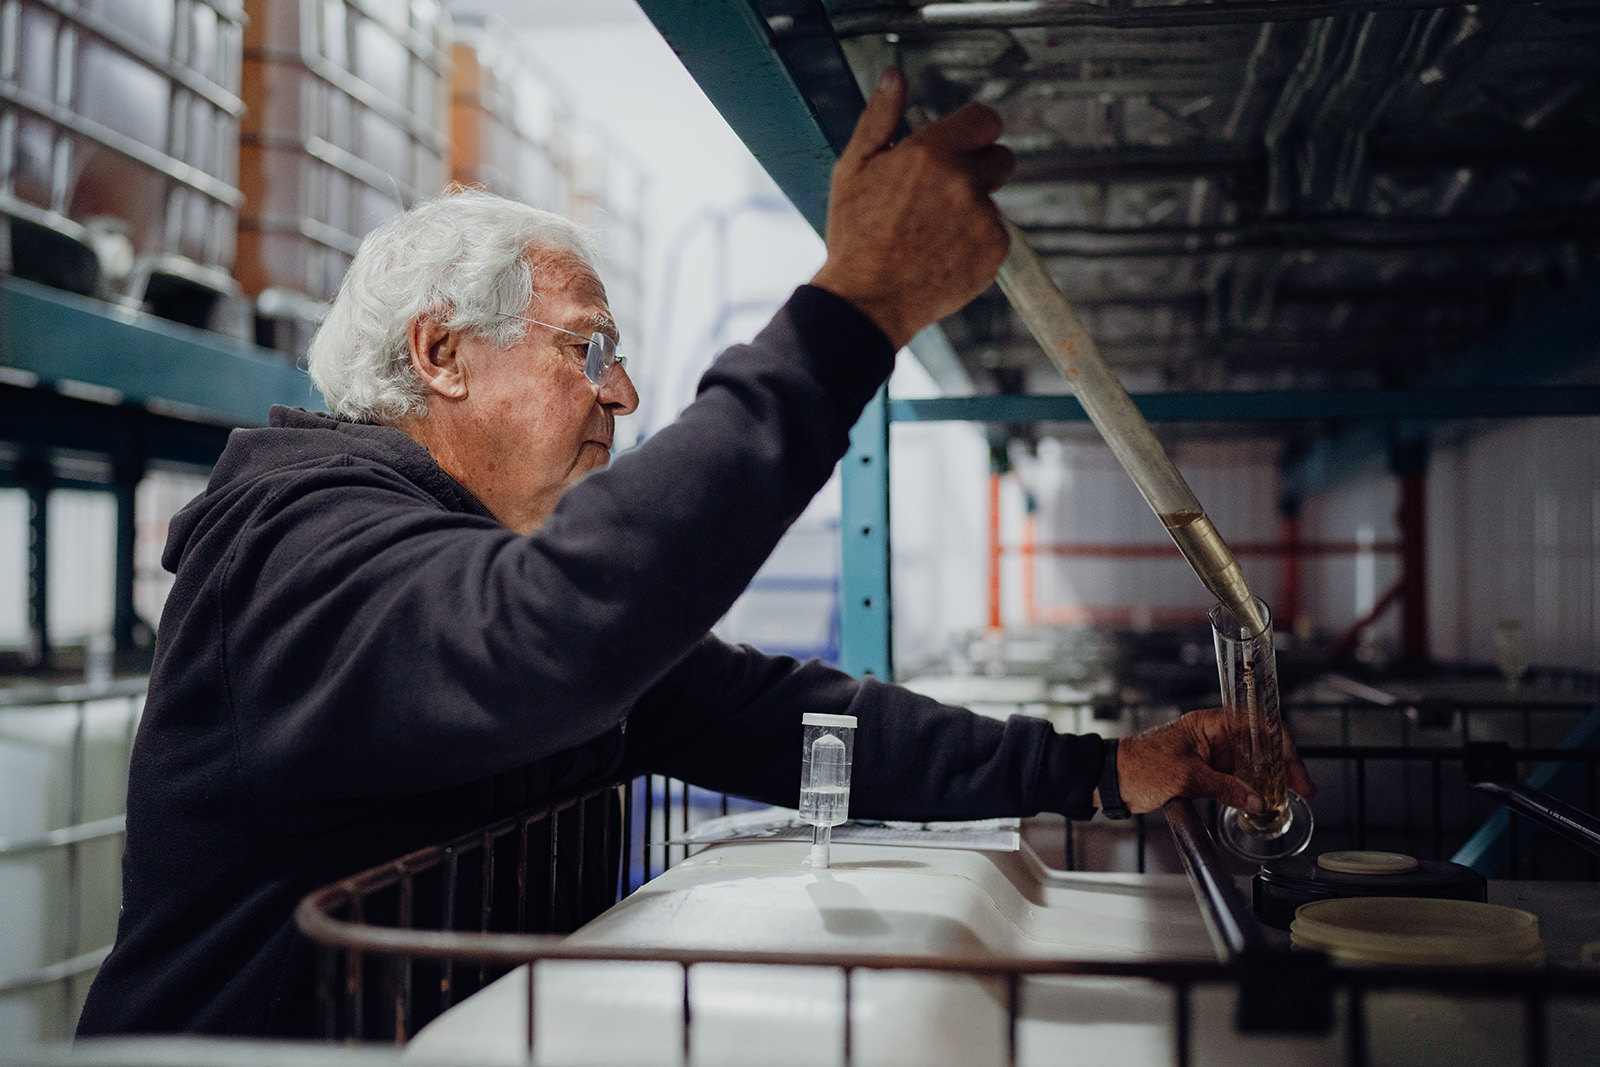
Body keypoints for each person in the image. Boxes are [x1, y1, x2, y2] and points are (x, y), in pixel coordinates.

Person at [77, 70, 1311, 1039]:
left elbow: (781, 716)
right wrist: (852, 315)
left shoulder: (469, 579)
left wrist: (1100, 768)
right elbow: (546, 633)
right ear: (443, 355)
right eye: (584, 347)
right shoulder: (300, 554)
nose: (622, 388)